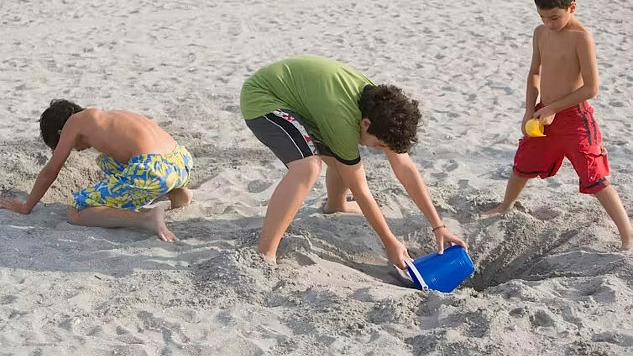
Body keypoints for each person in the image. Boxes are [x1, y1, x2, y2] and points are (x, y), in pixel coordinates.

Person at [240, 55, 467, 269]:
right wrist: (390, 243)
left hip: (302, 101)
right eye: (379, 144)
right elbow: (360, 189)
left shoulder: (382, 108)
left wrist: (439, 226)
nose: (378, 149)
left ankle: (336, 205)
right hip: (263, 99)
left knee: (346, 158)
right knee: (309, 167)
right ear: (366, 124)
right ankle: (265, 253)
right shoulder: (342, 118)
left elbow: (405, 168)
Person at [481, 0, 633, 250]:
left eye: (554, 17)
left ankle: (627, 234)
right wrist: (531, 109)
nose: (548, 24)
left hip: (575, 118)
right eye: (542, 17)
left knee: (593, 175)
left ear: (572, 7)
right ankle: (506, 204)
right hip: (543, 114)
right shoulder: (540, 32)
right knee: (524, 161)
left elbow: (591, 88)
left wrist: (554, 108)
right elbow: (534, 73)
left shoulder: (581, 37)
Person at [0, 100, 193, 242]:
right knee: (107, 161)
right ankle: (178, 193)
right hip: (179, 162)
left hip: (152, 171)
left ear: (61, 133)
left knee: (77, 210)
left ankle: (146, 219)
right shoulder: (107, 117)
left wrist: (26, 207)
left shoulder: (73, 123)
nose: (75, 150)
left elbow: (50, 171)